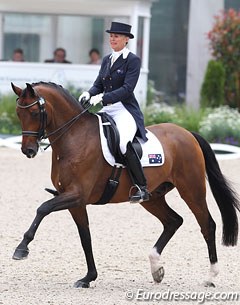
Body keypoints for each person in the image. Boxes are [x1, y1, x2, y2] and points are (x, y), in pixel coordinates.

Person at [79, 21, 149, 203]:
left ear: (126, 39)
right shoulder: (107, 59)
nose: (113, 39)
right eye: (111, 36)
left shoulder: (132, 60)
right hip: (107, 109)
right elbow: (98, 85)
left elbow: (127, 89)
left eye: (116, 36)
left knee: (124, 144)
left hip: (124, 109)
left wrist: (103, 98)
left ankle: (142, 187)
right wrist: (89, 93)